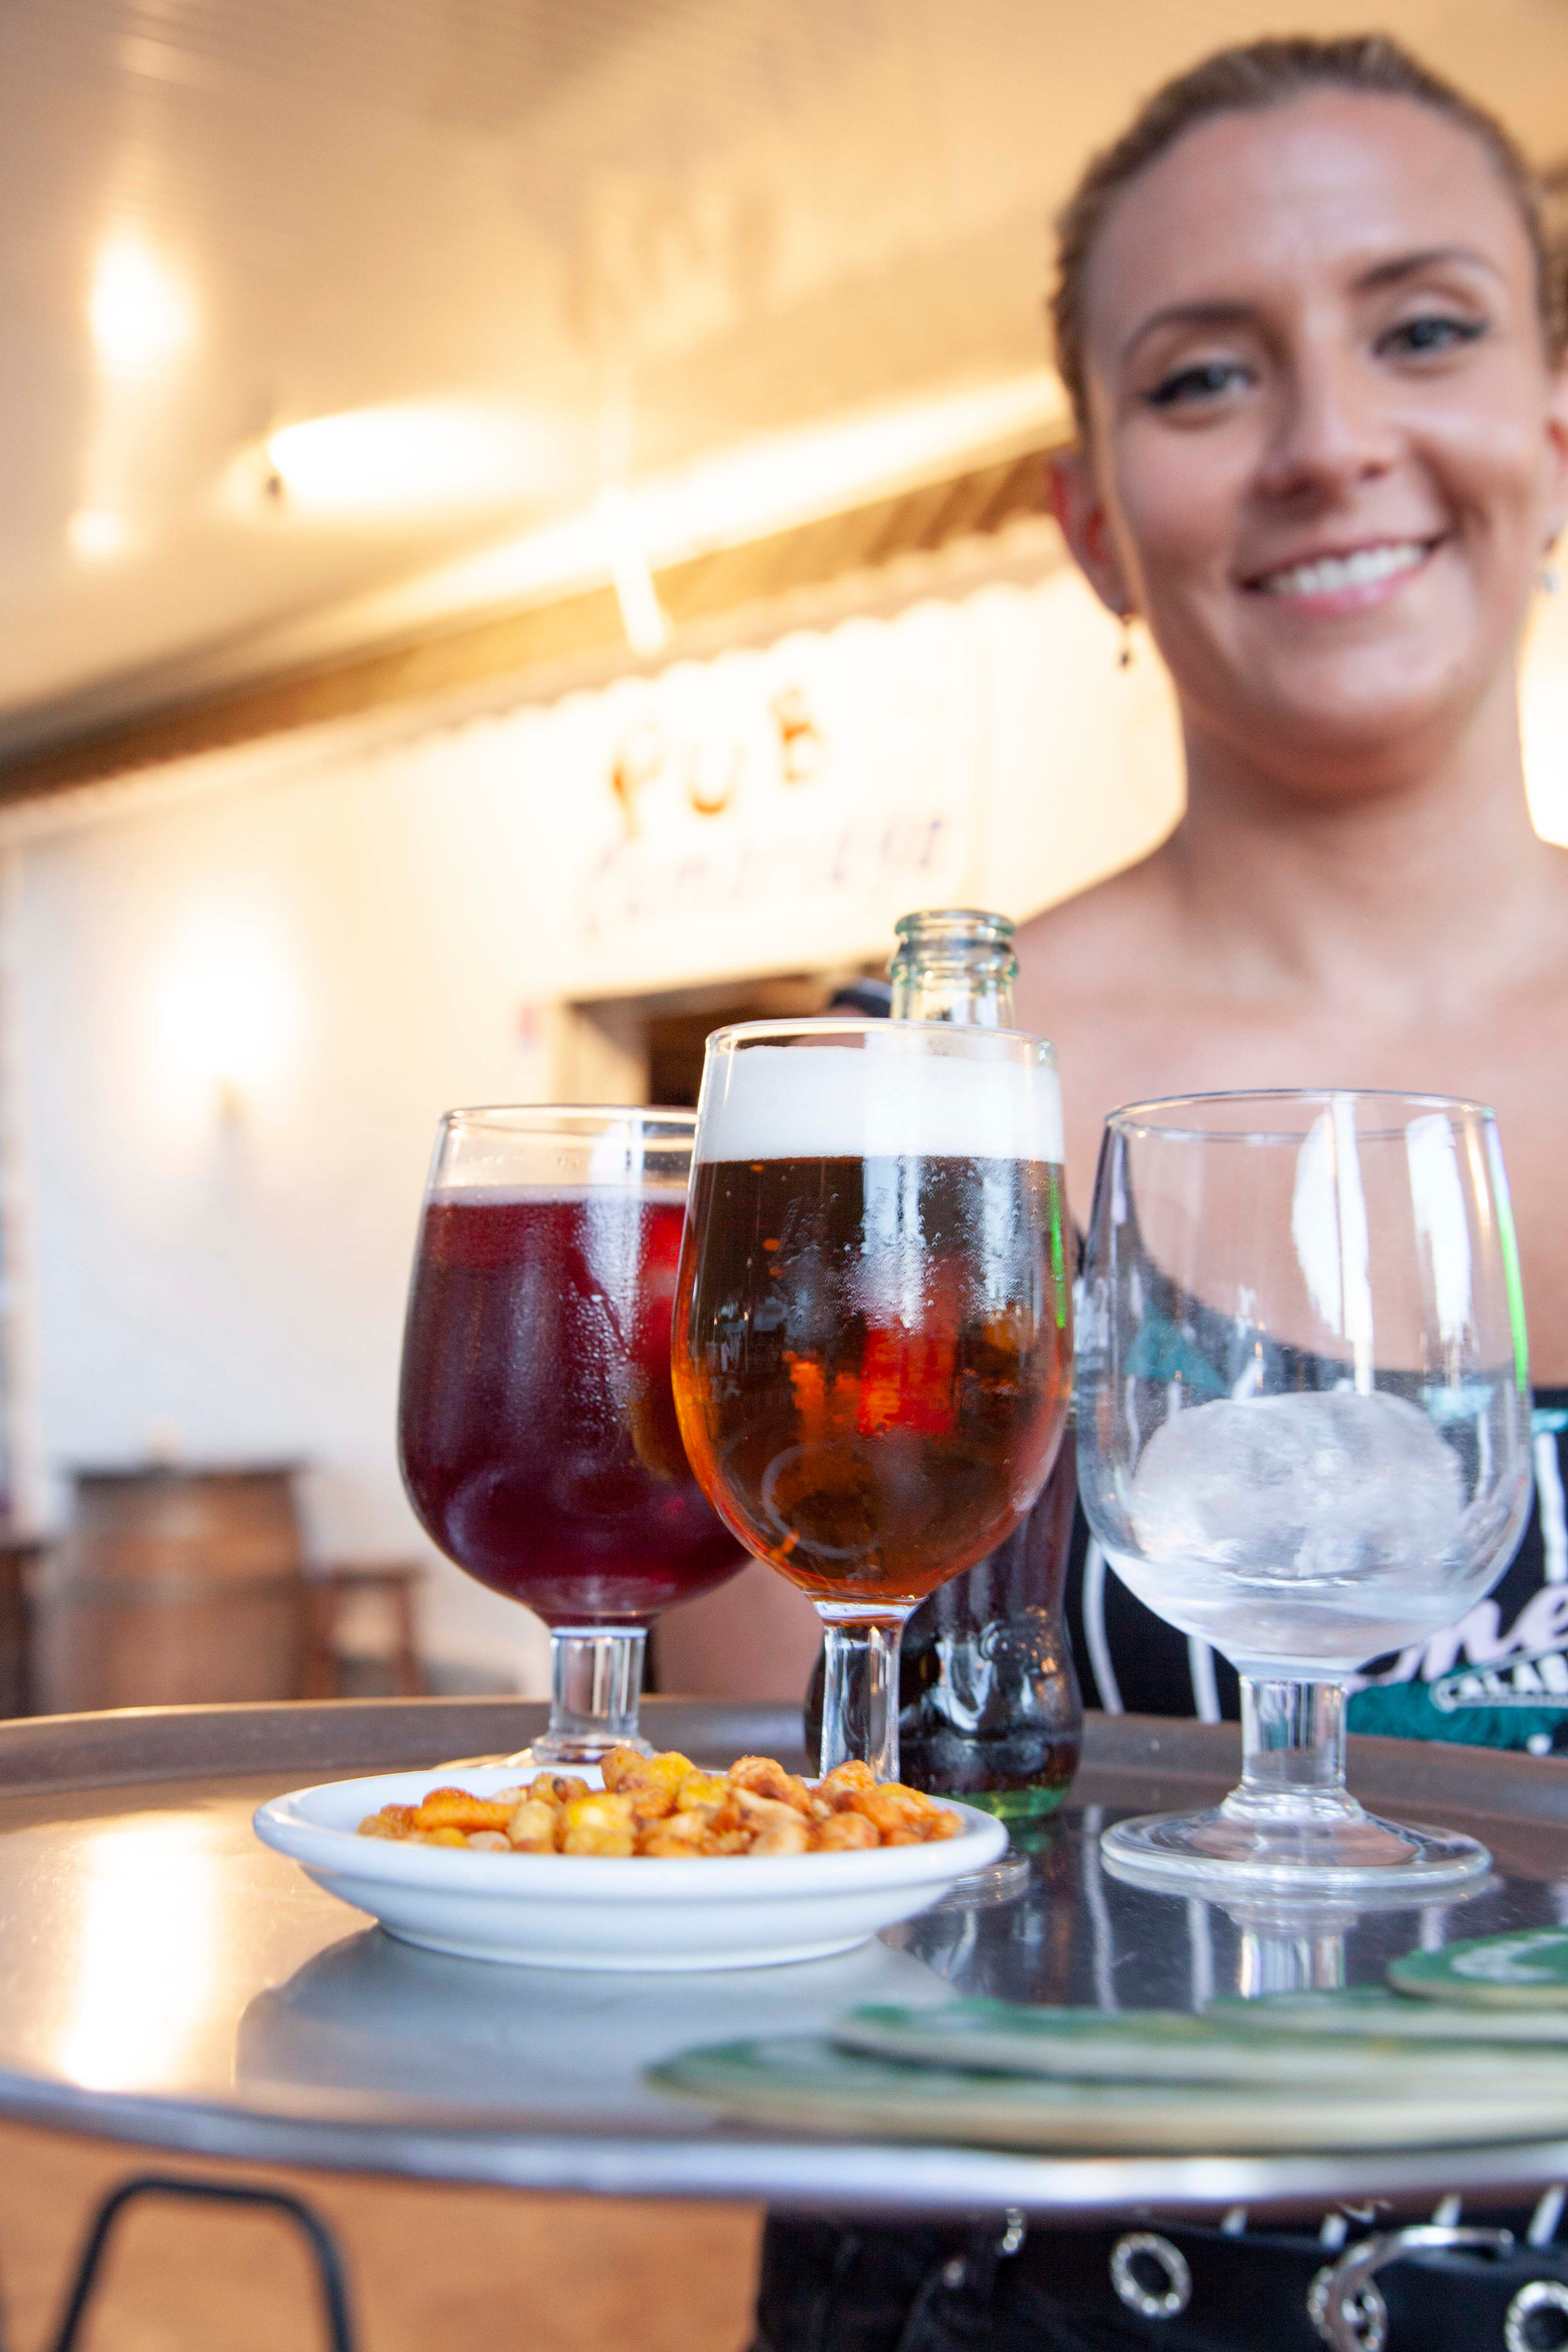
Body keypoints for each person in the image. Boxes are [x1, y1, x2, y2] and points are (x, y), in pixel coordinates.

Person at [750, 34, 1568, 2350]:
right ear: (1092, 521)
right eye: (1207, 375)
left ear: (1551, 428)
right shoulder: (912, 1114)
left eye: (1424, 326)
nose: (1330, 439)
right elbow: (756, 1817)